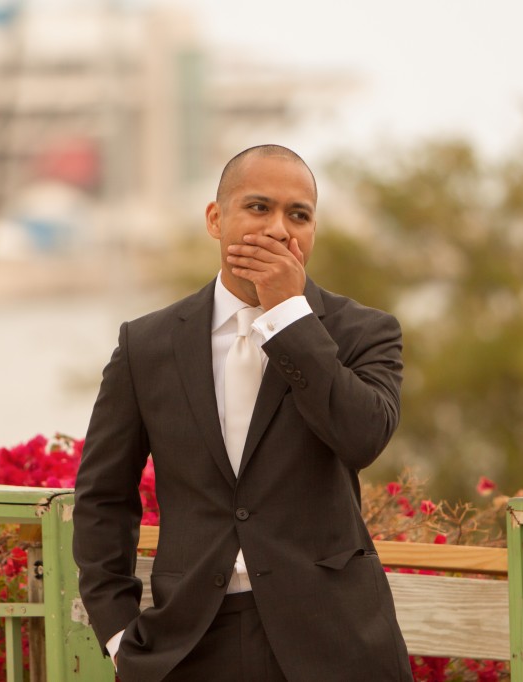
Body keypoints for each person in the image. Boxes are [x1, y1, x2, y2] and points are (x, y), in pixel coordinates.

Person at [73, 144, 412, 682]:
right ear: (215, 218)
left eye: (298, 215)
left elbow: (363, 437)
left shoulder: (363, 332)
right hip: (188, 645)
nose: (280, 229)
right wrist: (118, 634)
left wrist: (288, 318)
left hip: (335, 640)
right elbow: (103, 497)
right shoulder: (148, 344)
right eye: (258, 208)